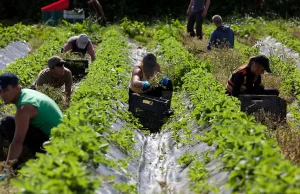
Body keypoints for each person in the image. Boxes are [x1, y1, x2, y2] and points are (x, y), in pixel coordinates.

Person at [0, 72, 63, 171]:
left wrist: (6, 170)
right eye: (0, 91)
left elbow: (17, 142)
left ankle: (20, 164)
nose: (2, 94)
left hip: (52, 147)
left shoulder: (24, 108)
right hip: (57, 138)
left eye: (5, 90)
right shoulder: (26, 93)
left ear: (17, 88)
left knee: (7, 121)